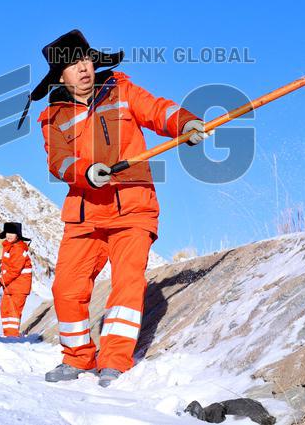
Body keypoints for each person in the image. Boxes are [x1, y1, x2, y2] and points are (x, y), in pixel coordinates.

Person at [20, 30, 205, 387]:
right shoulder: (52, 117)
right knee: (65, 289)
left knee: (127, 283)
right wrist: (85, 172)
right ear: (61, 77)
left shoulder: (121, 92)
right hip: (85, 214)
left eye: (86, 59)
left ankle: (115, 361)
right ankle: (76, 358)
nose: (84, 68)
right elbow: (57, 163)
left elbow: (158, 110)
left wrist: (185, 122)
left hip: (132, 208)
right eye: (74, 65)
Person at [0, 222, 33, 337]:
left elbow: (15, 269)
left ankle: (12, 337)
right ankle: (9, 335)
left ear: (18, 235)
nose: (9, 235)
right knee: (5, 309)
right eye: (8, 232)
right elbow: (11, 264)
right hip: (11, 285)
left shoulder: (18, 248)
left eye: (12, 233)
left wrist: (0, 282)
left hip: (19, 286)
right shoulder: (9, 246)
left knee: (13, 312)